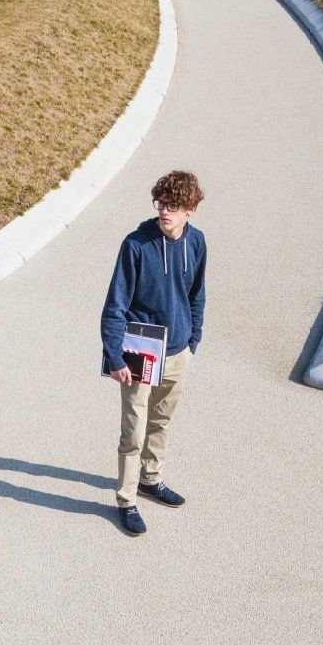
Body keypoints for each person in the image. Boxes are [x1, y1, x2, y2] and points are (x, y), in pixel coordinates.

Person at [99, 170, 207, 536]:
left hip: (178, 351)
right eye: (161, 204)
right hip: (140, 352)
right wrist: (114, 356)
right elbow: (115, 304)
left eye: (173, 206)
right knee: (133, 430)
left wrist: (193, 339)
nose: (165, 212)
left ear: (190, 210)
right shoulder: (136, 245)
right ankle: (126, 501)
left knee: (161, 422)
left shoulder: (197, 243)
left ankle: (151, 480)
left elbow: (197, 295)